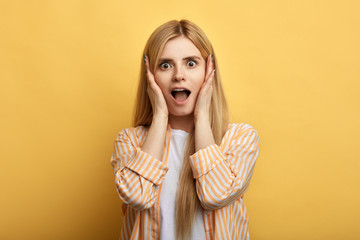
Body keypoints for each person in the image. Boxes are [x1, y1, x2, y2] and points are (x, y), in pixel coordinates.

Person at [110, 19, 260, 240]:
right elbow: (138, 197)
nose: (179, 75)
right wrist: (160, 116)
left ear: (209, 71)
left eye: (191, 63)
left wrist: (202, 118)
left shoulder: (240, 138)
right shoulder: (130, 141)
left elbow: (214, 195)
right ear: (150, 76)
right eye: (165, 65)